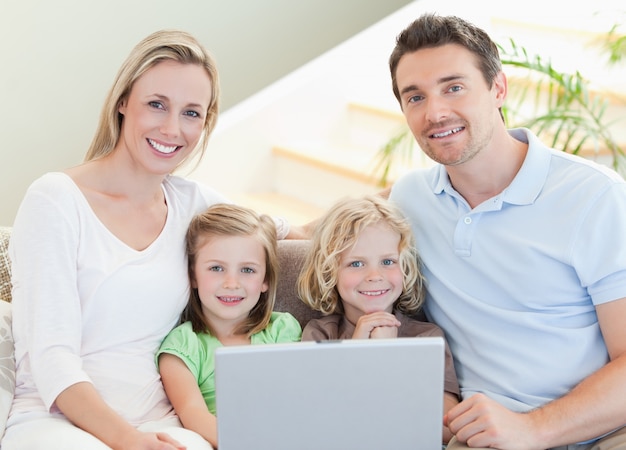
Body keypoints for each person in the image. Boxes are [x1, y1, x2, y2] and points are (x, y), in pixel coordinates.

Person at [4, 30, 292, 450]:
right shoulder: (55, 200)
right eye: (157, 104)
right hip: (58, 421)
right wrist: (131, 442)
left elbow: (278, 230)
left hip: (163, 422)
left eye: (192, 113)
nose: (173, 128)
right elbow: (51, 361)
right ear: (123, 102)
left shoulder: (194, 203)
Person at [386, 13, 626, 450]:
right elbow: (327, 230)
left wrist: (534, 429)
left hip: (601, 431)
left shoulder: (595, 198)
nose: (435, 112)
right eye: (415, 97)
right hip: (481, 435)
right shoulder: (410, 199)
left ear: (498, 89)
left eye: (453, 87)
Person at [297, 195, 460, 444]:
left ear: (404, 267)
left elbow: (448, 430)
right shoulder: (320, 335)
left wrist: (388, 355)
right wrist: (359, 352)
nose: (375, 275)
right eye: (356, 263)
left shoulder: (426, 338)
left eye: (387, 261)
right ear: (330, 271)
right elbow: (316, 418)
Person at [156, 203, 302, 448]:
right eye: (216, 268)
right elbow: (194, 414)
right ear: (192, 275)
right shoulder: (183, 345)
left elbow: (298, 398)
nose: (232, 283)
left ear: (265, 279)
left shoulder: (282, 330)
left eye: (247, 270)